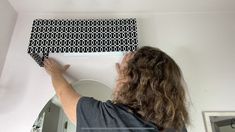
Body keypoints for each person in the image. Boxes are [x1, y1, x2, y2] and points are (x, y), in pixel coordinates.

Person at [43, 46, 189, 132]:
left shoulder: (108, 121)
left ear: (132, 83)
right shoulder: (176, 123)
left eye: (123, 75)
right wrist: (127, 77)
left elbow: (63, 92)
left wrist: (56, 72)